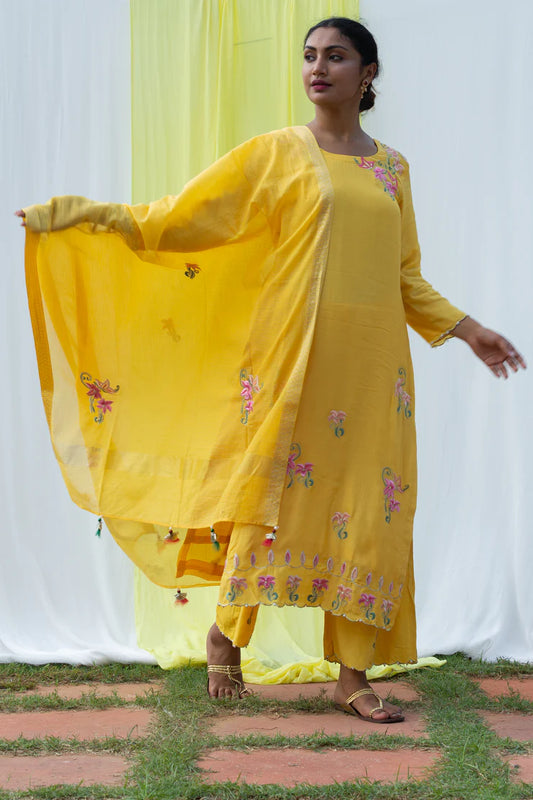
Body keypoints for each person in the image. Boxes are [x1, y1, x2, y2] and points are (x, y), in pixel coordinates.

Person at [17, 17, 525, 724]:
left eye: (337, 57)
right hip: (291, 365)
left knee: (369, 514)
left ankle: (352, 675)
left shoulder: (391, 168)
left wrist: (469, 331)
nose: (318, 68)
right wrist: (99, 217)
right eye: (310, 56)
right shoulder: (278, 153)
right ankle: (227, 636)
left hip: (374, 377)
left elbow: (405, 276)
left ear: (368, 73)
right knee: (268, 507)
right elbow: (189, 217)